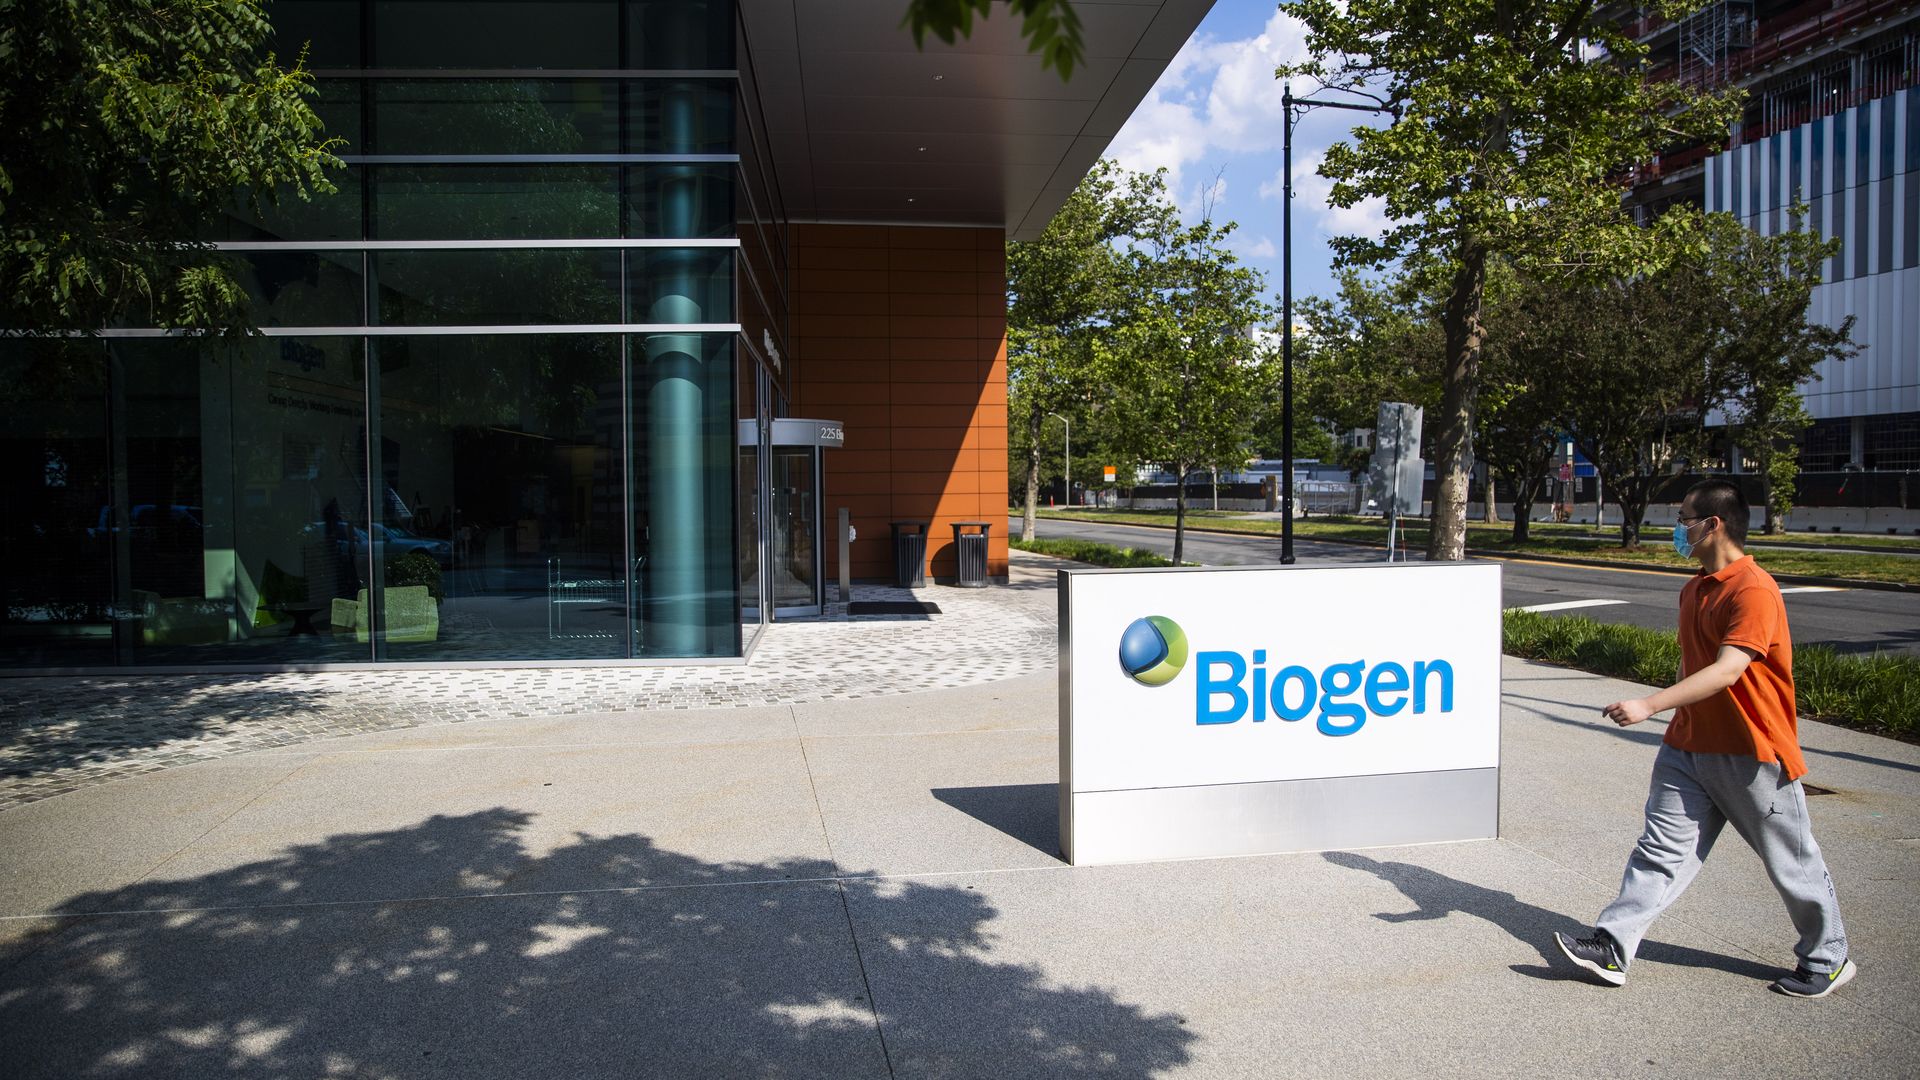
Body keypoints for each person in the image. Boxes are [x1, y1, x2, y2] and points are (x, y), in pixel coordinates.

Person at [1554, 479, 1854, 998]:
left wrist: (1649, 704)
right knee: (1659, 851)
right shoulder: (1694, 587)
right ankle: (1613, 947)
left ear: (1712, 524)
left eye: (1684, 518)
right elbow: (1694, 666)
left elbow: (1727, 672)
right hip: (1688, 746)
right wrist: (1673, 716)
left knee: (1791, 861)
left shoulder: (1753, 590)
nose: (1677, 528)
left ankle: (1828, 958)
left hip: (1751, 751)